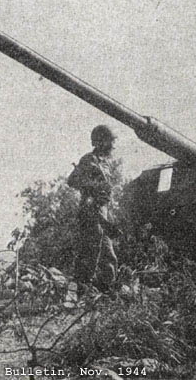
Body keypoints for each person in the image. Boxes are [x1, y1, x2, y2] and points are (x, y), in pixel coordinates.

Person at [68, 125, 119, 292]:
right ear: (100, 142)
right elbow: (72, 181)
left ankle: (105, 292)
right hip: (91, 213)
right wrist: (92, 186)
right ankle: (81, 289)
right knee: (90, 253)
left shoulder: (105, 163)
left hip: (102, 214)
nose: (113, 145)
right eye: (110, 141)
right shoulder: (88, 160)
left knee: (108, 255)